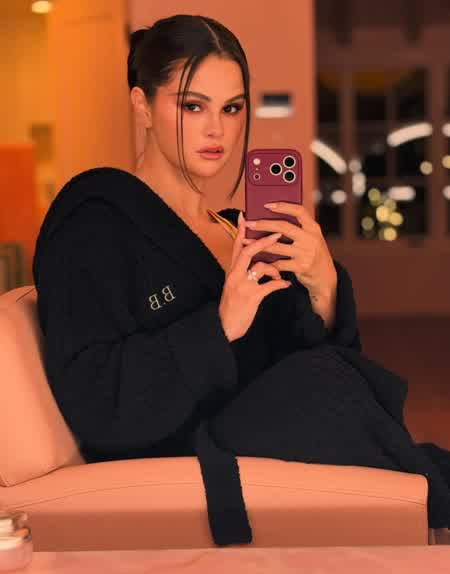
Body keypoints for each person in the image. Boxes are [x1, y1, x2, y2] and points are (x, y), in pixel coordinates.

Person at [32, 14, 450, 546]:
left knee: (352, 404)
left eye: (232, 108)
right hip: (178, 453)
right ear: (142, 105)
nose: (217, 129)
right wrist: (220, 324)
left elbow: (317, 360)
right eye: (193, 106)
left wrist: (323, 286)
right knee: (327, 394)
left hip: (294, 429)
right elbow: (93, 395)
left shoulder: (237, 229)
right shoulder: (96, 216)